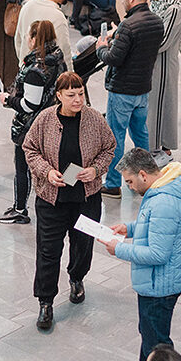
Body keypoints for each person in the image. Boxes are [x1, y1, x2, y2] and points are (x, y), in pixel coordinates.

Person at [23, 72, 113, 330]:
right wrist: (47, 172)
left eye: (80, 93)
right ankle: (46, 302)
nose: (77, 99)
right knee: (48, 251)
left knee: (83, 245)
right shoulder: (45, 120)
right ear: (59, 96)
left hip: (86, 198)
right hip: (52, 199)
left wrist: (95, 170)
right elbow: (30, 149)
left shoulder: (94, 119)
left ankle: (77, 278)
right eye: (71, 95)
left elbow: (110, 147)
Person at [99, 148, 181, 361]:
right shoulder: (162, 187)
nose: (130, 187)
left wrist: (119, 249)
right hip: (160, 282)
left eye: (130, 181)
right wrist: (129, 228)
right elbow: (155, 226)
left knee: (156, 346)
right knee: (150, 337)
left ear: (143, 174)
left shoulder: (164, 202)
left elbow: (157, 254)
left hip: (159, 285)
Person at [96, 0, 164, 197]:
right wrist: (118, 37)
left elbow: (114, 58)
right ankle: (147, 178)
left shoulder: (129, 25)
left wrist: (102, 47)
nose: (122, 0)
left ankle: (114, 183)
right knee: (141, 135)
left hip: (122, 90)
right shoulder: (156, 21)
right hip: (143, 89)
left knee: (115, 137)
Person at [0, 20, 65, 226]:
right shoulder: (57, 58)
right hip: (51, 121)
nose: (26, 39)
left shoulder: (36, 70)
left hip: (30, 127)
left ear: (35, 38)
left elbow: (29, 104)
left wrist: (8, 100)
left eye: (28, 35)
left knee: (23, 168)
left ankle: (20, 209)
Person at [145, 0, 181, 155]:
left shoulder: (173, 10)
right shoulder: (153, 5)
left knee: (161, 104)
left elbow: (163, 42)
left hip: (164, 66)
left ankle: (157, 146)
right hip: (153, 64)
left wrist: (138, 43)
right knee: (153, 105)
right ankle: (154, 142)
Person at [14, 0, 74, 68]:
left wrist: (23, 64)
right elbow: (64, 53)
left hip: (25, 72)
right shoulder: (58, 17)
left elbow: (18, 40)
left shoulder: (27, 6)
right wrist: (70, 76)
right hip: (48, 76)